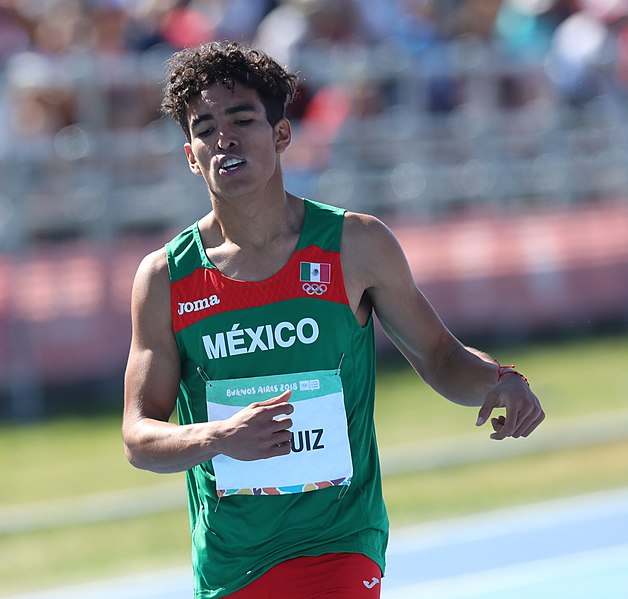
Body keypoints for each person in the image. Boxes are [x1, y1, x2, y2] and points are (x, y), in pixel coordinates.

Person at [122, 41, 545, 599]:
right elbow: (138, 435)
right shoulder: (164, 278)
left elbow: (440, 356)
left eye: (242, 118)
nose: (223, 137)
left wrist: (499, 380)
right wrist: (219, 437)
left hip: (341, 541)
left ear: (281, 134)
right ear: (191, 155)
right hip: (233, 563)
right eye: (205, 128)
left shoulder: (355, 245)